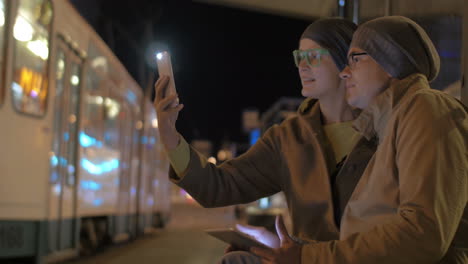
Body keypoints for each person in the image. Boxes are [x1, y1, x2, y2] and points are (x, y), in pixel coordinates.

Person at [246, 16, 468, 264]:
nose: (344, 72)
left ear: (390, 62)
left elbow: (422, 235)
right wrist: (292, 249)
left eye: (355, 58)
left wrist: (307, 257)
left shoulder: (426, 108)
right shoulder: (389, 124)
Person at [154, 18, 376, 262]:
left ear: (345, 61)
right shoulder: (288, 138)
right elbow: (217, 187)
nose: (302, 65)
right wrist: (169, 133)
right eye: (298, 56)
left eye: (313, 56)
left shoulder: (386, 128)